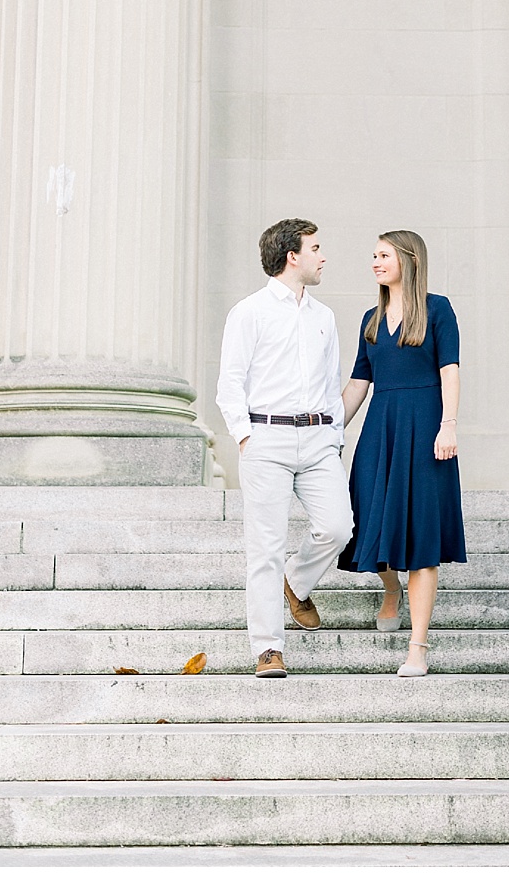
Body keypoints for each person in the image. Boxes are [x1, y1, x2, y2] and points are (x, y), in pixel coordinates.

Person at [215, 218, 353, 679]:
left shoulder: (323, 316)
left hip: (318, 440)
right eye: (315, 248)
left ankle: (296, 582)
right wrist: (245, 436)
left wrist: (334, 436)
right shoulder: (249, 312)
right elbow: (230, 383)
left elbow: (331, 384)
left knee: (338, 527)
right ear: (292, 256)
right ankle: (268, 648)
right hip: (266, 437)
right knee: (265, 550)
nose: (323, 257)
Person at [336, 229, 465, 677]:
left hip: (427, 427)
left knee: (422, 540)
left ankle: (417, 648)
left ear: (410, 260)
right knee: (367, 522)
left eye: (384, 255)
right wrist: (329, 432)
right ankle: (391, 589)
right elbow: (358, 384)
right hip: (380, 429)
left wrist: (448, 425)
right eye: (374, 255)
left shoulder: (438, 309)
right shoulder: (370, 320)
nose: (375, 262)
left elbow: (450, 371)